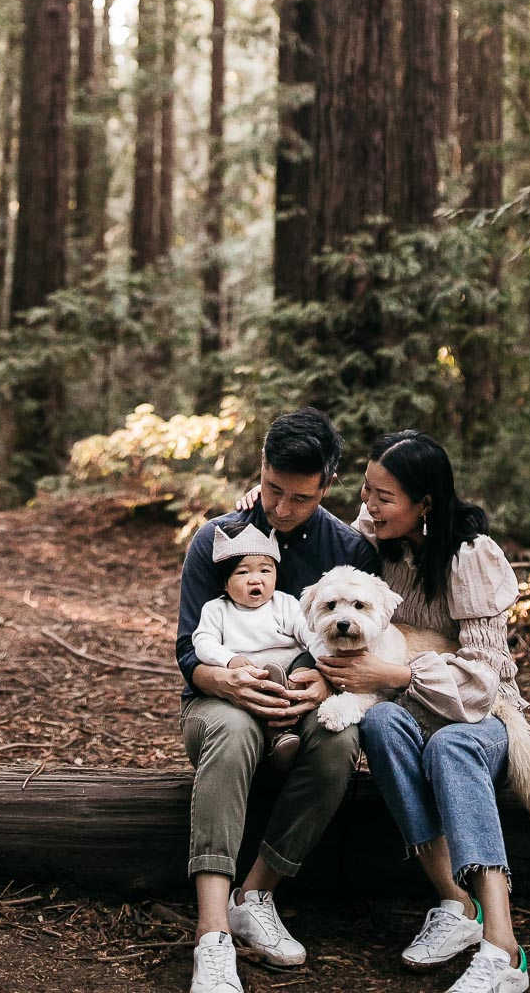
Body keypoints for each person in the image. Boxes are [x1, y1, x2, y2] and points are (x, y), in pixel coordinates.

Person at [318, 430, 530, 993]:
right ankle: (455, 906)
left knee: (450, 744)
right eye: (365, 490)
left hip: (479, 718)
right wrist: (253, 510)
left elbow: (485, 680)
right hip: (405, 709)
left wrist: (396, 674)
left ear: (425, 504)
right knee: (381, 722)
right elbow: (310, 539)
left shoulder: (470, 556)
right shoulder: (373, 539)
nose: (368, 505)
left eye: (384, 497)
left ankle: (502, 945)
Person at [176, 408, 378, 993]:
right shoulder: (217, 538)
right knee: (235, 730)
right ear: (259, 468)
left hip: (304, 702)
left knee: (340, 738)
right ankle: (212, 938)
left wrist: (326, 679)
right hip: (219, 701)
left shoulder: (349, 549)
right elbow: (190, 653)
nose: (282, 509)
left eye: (300, 498)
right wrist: (228, 681)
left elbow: (361, 638)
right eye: (271, 490)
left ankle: (256, 894)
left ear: (328, 486)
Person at [191, 520, 313, 771]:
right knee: (262, 685)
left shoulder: (285, 604)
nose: (255, 580)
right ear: (224, 583)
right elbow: (202, 642)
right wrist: (229, 660)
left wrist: (319, 653)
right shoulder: (218, 610)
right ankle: (278, 738)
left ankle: (286, 730)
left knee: (305, 659)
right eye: (243, 572)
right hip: (250, 677)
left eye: (265, 571)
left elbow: (307, 632)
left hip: (291, 676)